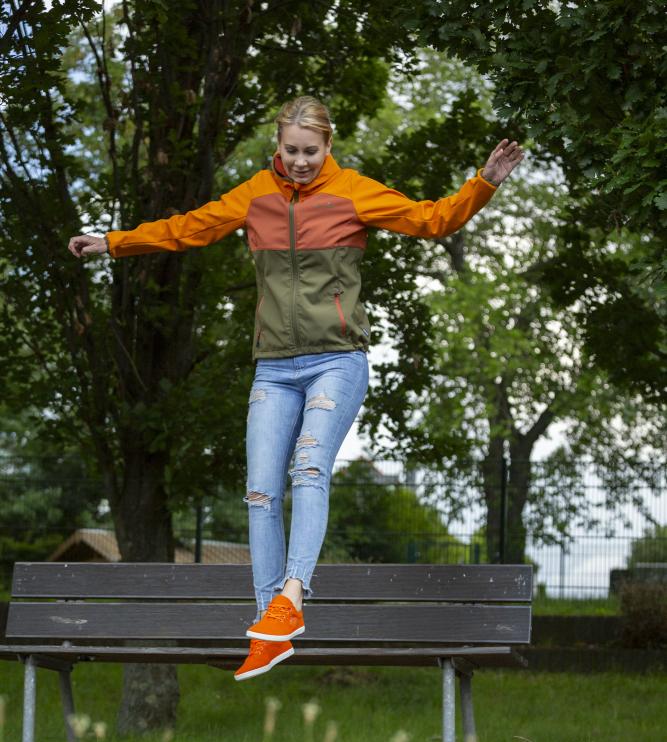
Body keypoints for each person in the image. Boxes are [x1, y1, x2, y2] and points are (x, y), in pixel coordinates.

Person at [68, 95, 523, 681]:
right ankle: (269, 628)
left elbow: (433, 220)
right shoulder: (254, 195)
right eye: (292, 151)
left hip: (337, 361)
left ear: (328, 147)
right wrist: (113, 242)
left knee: (307, 468)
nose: (302, 161)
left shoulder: (354, 191)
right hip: (274, 367)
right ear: (277, 148)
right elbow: (187, 229)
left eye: (312, 151)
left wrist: (483, 183)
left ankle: (293, 596)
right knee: (259, 490)